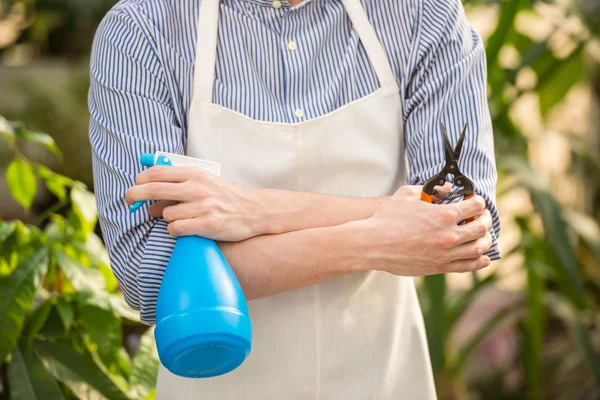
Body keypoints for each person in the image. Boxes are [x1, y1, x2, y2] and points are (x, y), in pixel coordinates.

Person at [89, 0, 501, 398]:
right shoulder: (141, 32)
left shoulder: (420, 13)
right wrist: (378, 239)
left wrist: (258, 209)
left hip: (384, 384)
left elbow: (465, 224)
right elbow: (148, 270)